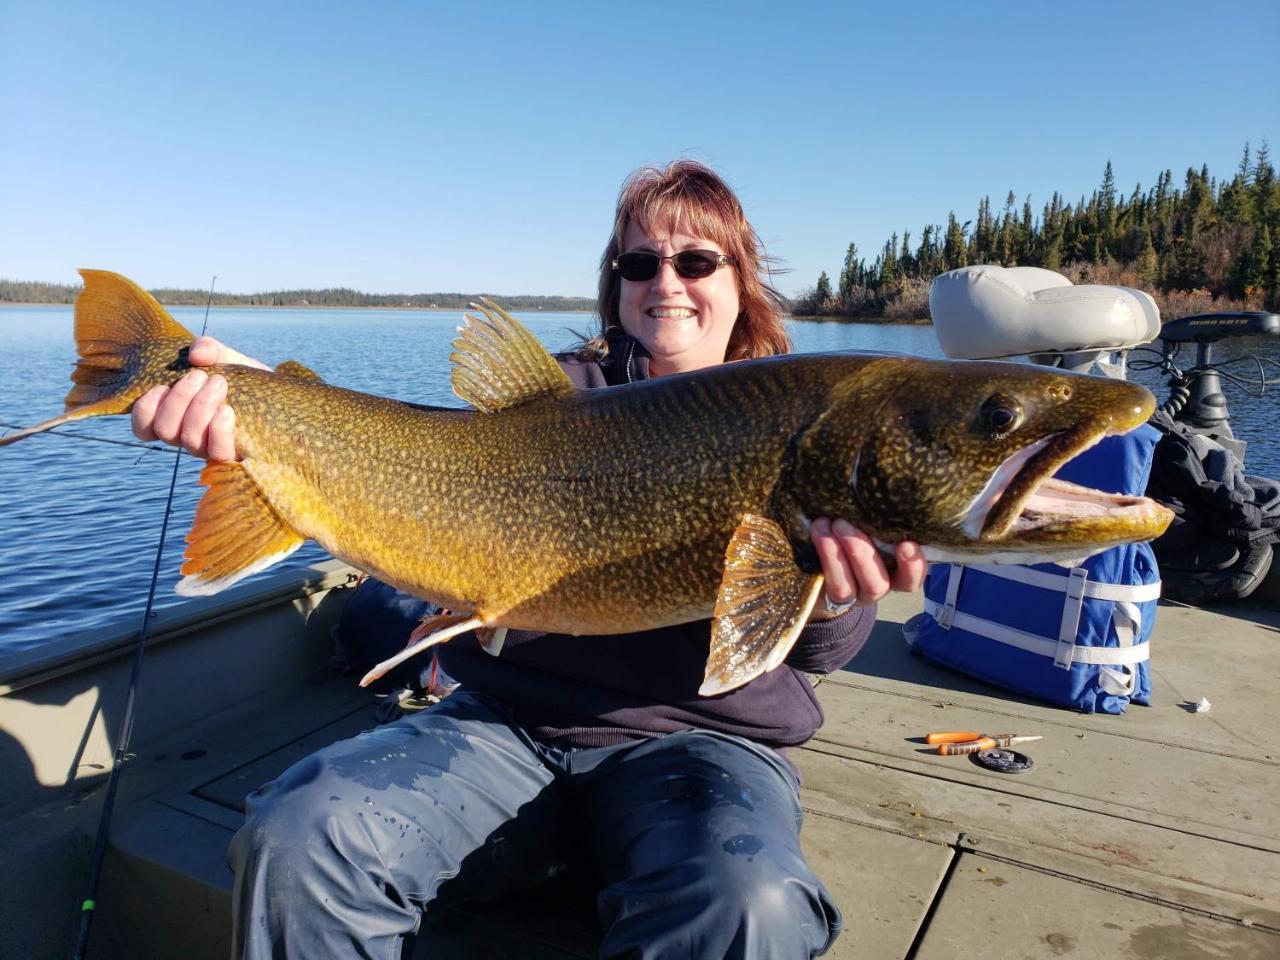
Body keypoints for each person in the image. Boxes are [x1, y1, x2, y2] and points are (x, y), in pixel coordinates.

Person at [133, 159, 927, 959]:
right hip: (504, 725)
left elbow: (820, 652)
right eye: (641, 263)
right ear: (615, 283)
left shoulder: (807, 412)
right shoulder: (555, 398)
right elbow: (416, 448)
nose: (667, 283)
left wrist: (830, 593)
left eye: (695, 262)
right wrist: (255, 397)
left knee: (750, 904)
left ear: (741, 280)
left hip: (704, 749)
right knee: (302, 833)